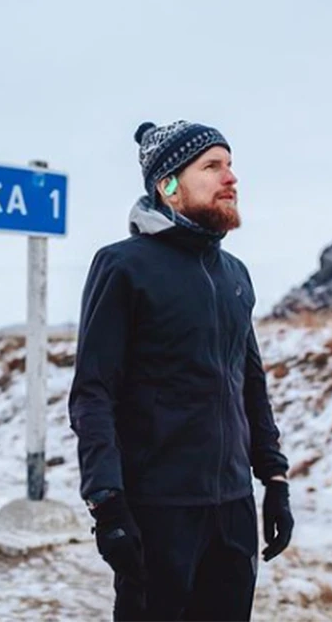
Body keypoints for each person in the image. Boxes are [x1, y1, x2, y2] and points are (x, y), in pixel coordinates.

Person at [68, 120, 294, 621]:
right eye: (211, 166)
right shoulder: (123, 266)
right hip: (158, 509)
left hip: (233, 508)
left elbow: (248, 382)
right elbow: (93, 393)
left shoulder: (235, 274)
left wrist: (274, 480)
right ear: (167, 186)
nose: (230, 178)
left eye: (230, 165)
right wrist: (106, 501)